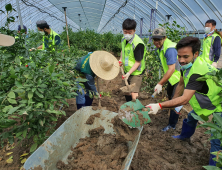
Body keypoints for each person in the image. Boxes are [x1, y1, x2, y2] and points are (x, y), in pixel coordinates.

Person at [146, 36, 222, 166]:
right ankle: (184, 136)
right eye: (179, 56)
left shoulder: (198, 71)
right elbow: (181, 84)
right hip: (205, 105)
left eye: (185, 56)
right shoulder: (185, 66)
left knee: (217, 140)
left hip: (218, 107)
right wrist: (174, 102)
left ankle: (213, 166)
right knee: (192, 116)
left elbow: (185, 98)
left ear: (196, 54)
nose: (181, 60)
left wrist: (159, 105)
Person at [151, 27, 182, 131]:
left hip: (179, 78)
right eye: (154, 39)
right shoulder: (161, 47)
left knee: (175, 101)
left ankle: (172, 125)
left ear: (165, 38)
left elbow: (172, 69)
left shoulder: (170, 49)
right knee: (169, 95)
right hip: (172, 78)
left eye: (158, 39)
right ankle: (168, 107)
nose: (156, 42)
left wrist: (160, 83)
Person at [119, 18, 146, 102]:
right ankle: (129, 106)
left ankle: (135, 110)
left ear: (134, 31)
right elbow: (123, 50)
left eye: (129, 32)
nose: (127, 34)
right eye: (125, 32)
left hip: (136, 71)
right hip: (127, 69)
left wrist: (129, 73)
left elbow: (138, 62)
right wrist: (120, 59)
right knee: (127, 91)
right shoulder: (124, 39)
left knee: (134, 92)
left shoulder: (138, 44)